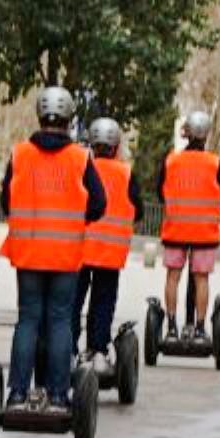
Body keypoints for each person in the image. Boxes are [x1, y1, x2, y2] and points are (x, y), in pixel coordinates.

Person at [1, 86, 106, 405]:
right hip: (65, 255)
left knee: (28, 319)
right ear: (69, 119)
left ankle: (18, 393)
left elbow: (7, 199)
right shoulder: (80, 158)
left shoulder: (20, 155)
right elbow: (99, 204)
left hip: (29, 253)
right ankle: (59, 395)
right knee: (60, 321)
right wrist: (75, 217)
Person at [155, 112, 220, 333]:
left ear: (187, 133)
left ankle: (170, 325)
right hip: (204, 232)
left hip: (176, 229)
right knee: (201, 279)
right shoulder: (215, 163)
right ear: (206, 135)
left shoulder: (171, 161)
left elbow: (160, 192)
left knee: (173, 277)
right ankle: (198, 327)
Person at [81, 115, 135, 362]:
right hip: (111, 252)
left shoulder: (83, 167)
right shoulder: (126, 173)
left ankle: (68, 350)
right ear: (115, 146)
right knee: (102, 303)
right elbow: (140, 208)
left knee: (73, 302)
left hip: (80, 249)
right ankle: (98, 350)